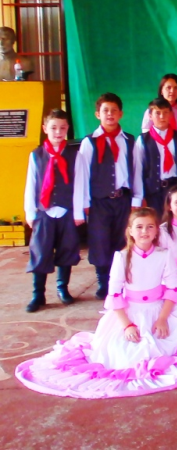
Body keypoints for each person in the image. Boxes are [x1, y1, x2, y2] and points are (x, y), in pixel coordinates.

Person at [17, 208, 177, 398]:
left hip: (158, 310)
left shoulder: (164, 255)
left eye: (150, 226)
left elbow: (171, 291)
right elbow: (115, 295)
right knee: (121, 356)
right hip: (129, 314)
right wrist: (127, 325)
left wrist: (162, 319)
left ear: (156, 231)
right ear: (130, 231)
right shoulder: (122, 257)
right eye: (139, 227)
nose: (145, 231)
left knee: (161, 348)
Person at [76, 93, 135, 300]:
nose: (109, 114)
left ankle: (121, 280)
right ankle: (103, 281)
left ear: (121, 113)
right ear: (97, 114)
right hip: (99, 200)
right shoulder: (89, 143)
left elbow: (134, 170)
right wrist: (84, 203)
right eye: (105, 111)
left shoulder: (129, 140)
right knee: (100, 240)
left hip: (123, 199)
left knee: (122, 240)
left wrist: (135, 199)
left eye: (113, 110)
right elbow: (83, 175)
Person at [23, 109, 82, 312]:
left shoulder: (75, 155)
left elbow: (80, 184)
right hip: (43, 212)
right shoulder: (36, 155)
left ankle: (62, 288)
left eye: (63, 128)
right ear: (44, 129)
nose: (58, 132)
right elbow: (31, 184)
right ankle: (38, 294)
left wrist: (78, 213)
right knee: (40, 252)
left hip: (66, 211)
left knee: (67, 251)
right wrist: (30, 212)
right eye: (54, 128)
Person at [132, 98, 177, 219]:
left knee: (175, 223)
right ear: (150, 116)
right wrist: (139, 197)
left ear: (171, 114)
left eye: (165, 112)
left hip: (175, 187)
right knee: (156, 224)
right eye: (157, 113)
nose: (162, 116)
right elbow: (138, 168)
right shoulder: (143, 139)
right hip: (153, 191)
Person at [141, 74, 177, 142]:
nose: (172, 91)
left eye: (176, 88)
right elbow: (146, 139)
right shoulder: (151, 111)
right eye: (168, 87)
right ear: (161, 91)